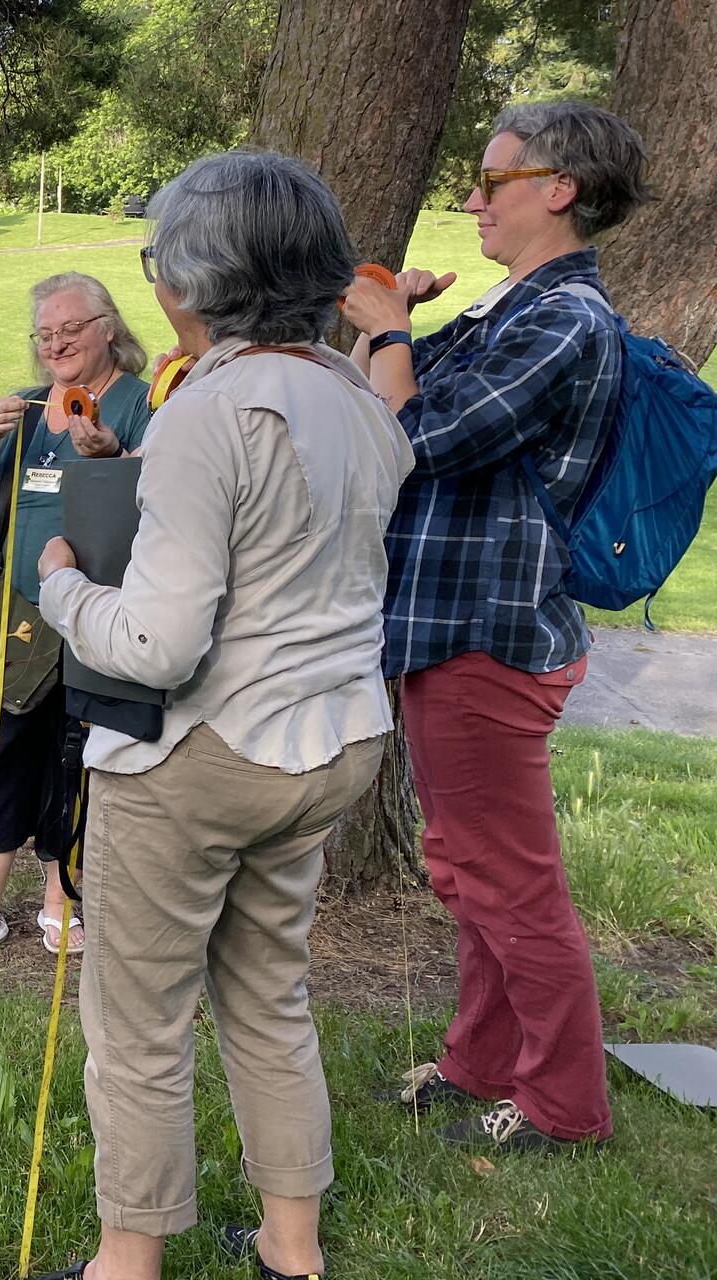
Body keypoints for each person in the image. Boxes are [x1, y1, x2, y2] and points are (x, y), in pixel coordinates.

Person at [30, 152, 413, 1280]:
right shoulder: (355, 390)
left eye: (156, 263)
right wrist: (131, 463)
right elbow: (276, 513)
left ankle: (124, 1263)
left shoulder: (210, 401)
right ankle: (290, 1251)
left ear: (191, 280)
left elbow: (156, 643)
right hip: (333, 741)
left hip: (200, 752)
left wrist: (60, 582)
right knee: (266, 995)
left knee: (138, 1024)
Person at [341, 101, 642, 1154]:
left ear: (555, 189)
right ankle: (477, 1062)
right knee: (465, 862)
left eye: (491, 181)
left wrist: (385, 330)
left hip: (489, 631)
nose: (471, 199)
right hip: (450, 628)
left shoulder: (564, 322)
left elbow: (413, 434)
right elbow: (403, 397)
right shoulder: (517, 306)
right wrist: (398, 322)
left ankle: (562, 1109)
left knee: (506, 876)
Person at [0, 273, 152, 963]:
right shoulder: (25, 407)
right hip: (15, 619)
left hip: (97, 615)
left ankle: (61, 898)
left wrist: (110, 455)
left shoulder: (140, 403)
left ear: (108, 328)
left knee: (78, 761)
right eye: (45, 334)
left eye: (70, 329)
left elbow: (160, 489)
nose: (55, 343)